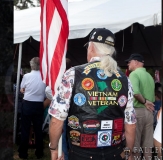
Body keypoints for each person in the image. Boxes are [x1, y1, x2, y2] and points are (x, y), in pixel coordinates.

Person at [48, 28, 136, 160]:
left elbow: (56, 120)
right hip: (115, 152)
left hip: (80, 153)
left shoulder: (73, 74)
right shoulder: (124, 79)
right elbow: (131, 124)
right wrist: (129, 153)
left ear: (91, 47)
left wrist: (54, 147)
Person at [125, 53, 155, 160]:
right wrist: (147, 102)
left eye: (129, 61)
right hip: (150, 113)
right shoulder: (150, 76)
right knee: (148, 146)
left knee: (135, 146)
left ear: (136, 62)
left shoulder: (134, 74)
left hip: (138, 112)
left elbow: (135, 92)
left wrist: (145, 101)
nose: (128, 63)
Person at [18, 57, 46, 159]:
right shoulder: (44, 77)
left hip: (28, 104)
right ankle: (39, 153)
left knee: (25, 129)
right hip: (39, 104)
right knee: (38, 129)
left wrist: (25, 90)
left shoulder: (26, 76)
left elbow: (22, 89)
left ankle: (23, 153)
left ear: (31, 65)